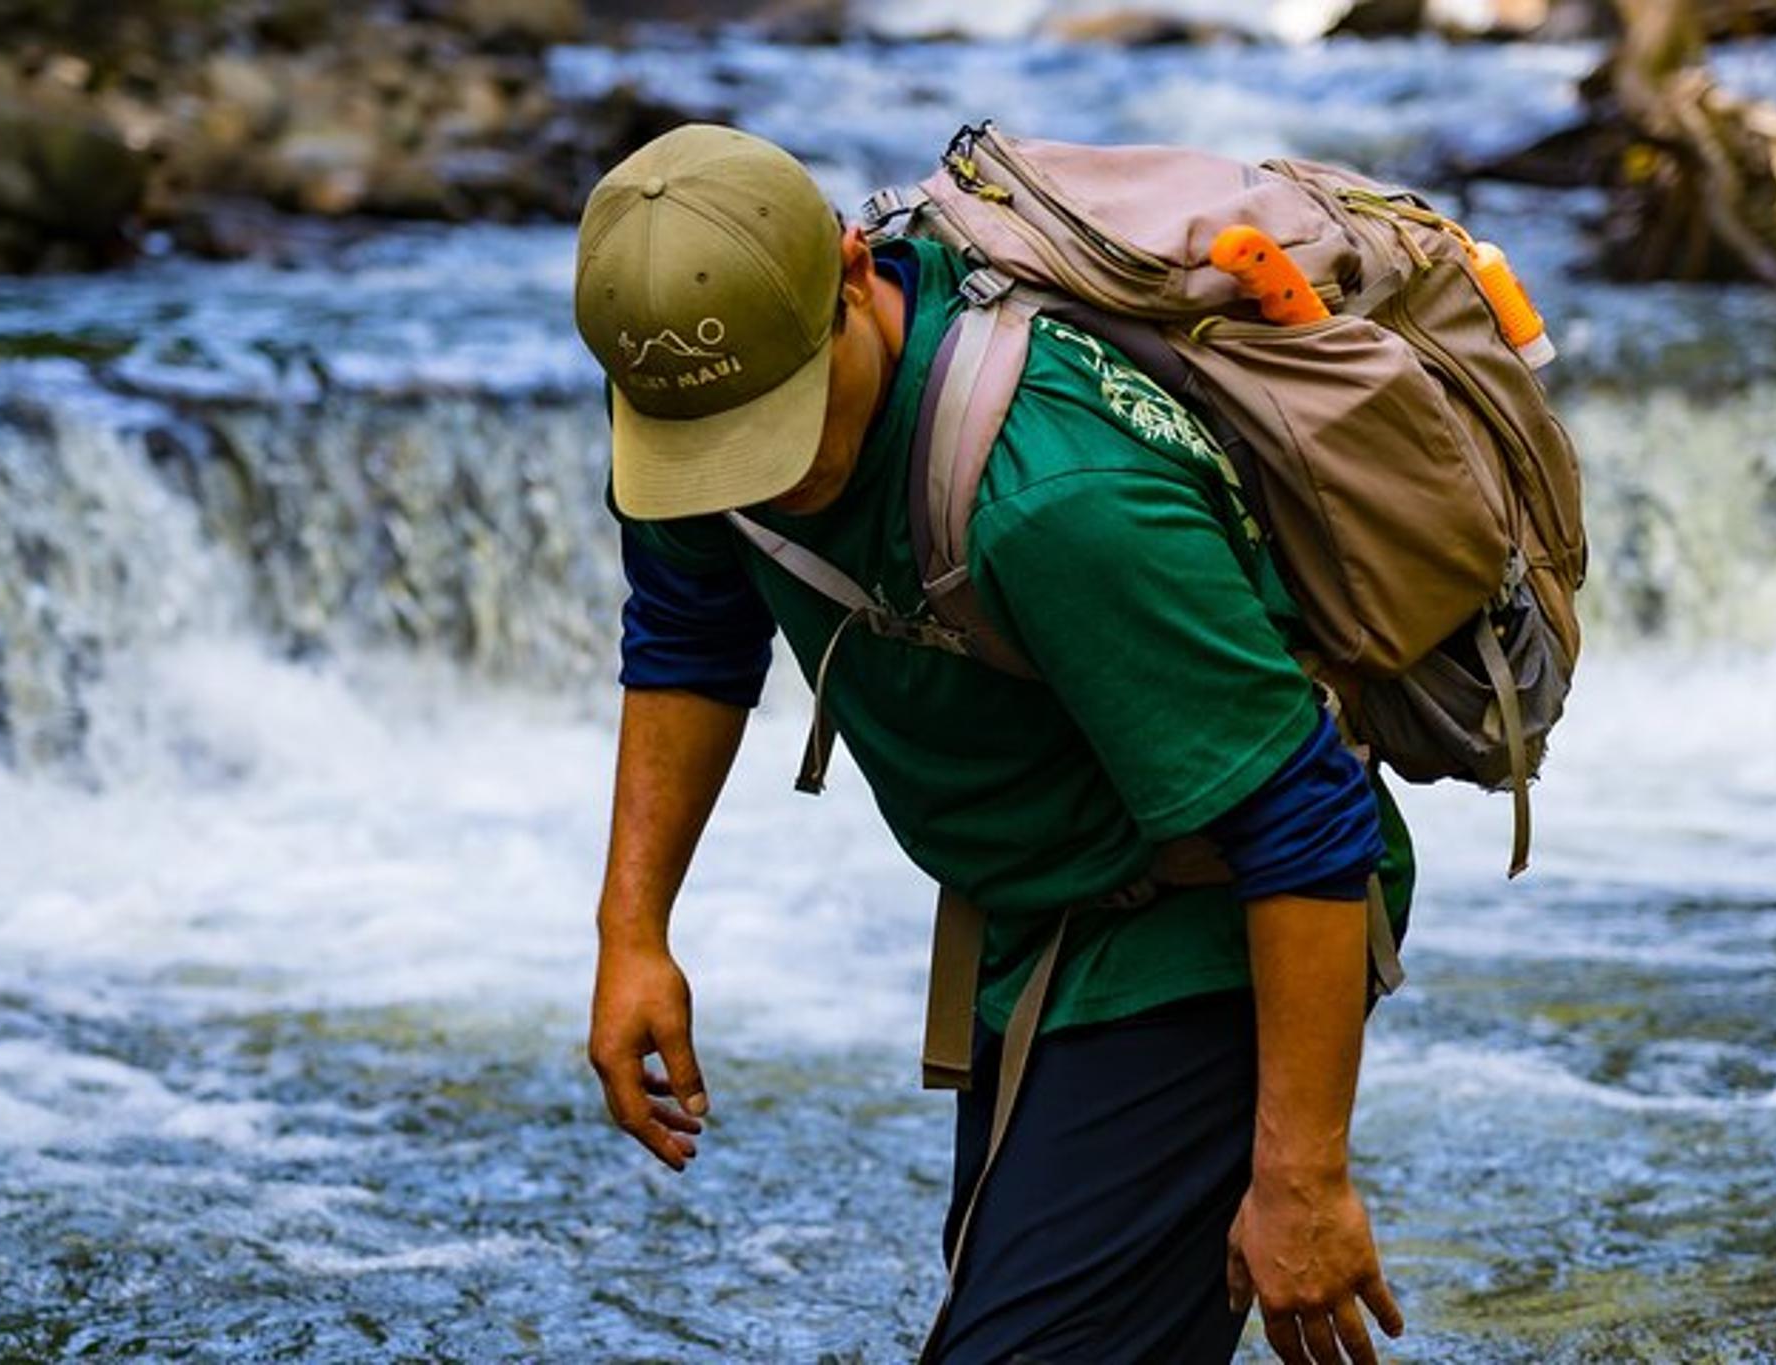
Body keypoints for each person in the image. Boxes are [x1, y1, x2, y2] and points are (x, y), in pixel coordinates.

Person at [576, 123, 1407, 1365]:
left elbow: (1305, 822)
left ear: (853, 273)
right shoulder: (700, 397)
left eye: (786, 422)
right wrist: (631, 933)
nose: (767, 474)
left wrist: (1301, 1179)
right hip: (1031, 912)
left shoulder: (1053, 494)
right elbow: (691, 634)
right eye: (722, 448)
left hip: (1204, 918)